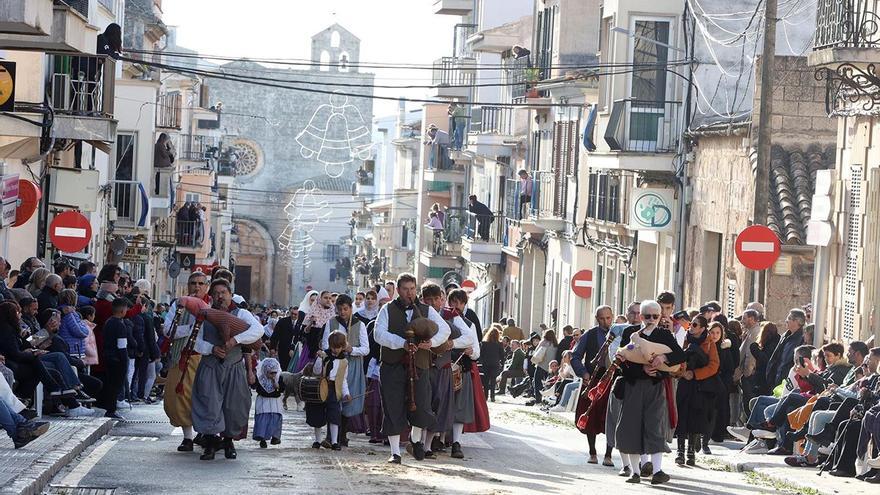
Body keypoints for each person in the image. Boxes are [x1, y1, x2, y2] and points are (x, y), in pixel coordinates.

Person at [374, 273, 450, 464]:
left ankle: (415, 441)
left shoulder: (426, 310)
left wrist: (431, 342)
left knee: (422, 404)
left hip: (420, 365)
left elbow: (445, 330)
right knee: (393, 405)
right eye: (406, 289)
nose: (410, 293)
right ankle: (395, 453)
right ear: (398, 290)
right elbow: (378, 334)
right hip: (393, 365)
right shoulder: (387, 309)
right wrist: (401, 343)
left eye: (412, 289)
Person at [191, 279, 263, 461]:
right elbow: (196, 341)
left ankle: (228, 441)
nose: (219, 296)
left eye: (223, 292)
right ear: (211, 296)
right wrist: (211, 349)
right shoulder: (204, 313)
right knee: (209, 404)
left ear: (230, 294)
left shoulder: (242, 314)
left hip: (234, 366)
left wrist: (235, 340)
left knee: (234, 405)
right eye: (216, 293)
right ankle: (209, 443)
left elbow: (258, 330)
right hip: (210, 366)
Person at [615, 300, 686, 485]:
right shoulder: (630, 333)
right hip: (633, 385)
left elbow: (680, 355)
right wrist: (642, 370)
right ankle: (635, 472)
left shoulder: (664, 334)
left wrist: (664, 357)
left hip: (655, 387)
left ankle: (657, 471)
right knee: (631, 427)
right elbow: (622, 363)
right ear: (641, 316)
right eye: (647, 316)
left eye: (656, 316)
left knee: (654, 427)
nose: (652, 319)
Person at [162, 271, 209, 452]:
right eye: (193, 283)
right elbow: (168, 329)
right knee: (179, 398)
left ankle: (206, 434)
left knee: (205, 398)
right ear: (188, 286)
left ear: (206, 286)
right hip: (182, 357)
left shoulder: (212, 306)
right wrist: (190, 328)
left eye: (200, 283)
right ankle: (187, 437)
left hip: (206, 359)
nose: (196, 287)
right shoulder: (178, 305)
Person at [321, 294, 368, 447]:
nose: (342, 312)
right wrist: (334, 352)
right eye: (340, 309)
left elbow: (366, 349)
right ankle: (330, 436)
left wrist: (351, 349)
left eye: (346, 309)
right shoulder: (331, 323)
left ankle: (343, 434)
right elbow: (325, 345)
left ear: (351, 308)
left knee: (348, 399)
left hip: (352, 365)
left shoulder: (359, 324)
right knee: (332, 398)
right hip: (334, 365)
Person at [572, 305, 615, 465]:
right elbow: (575, 356)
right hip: (593, 380)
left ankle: (609, 455)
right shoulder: (589, 335)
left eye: (608, 318)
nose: (606, 321)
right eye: (602, 318)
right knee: (590, 415)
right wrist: (583, 373)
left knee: (610, 416)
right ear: (597, 319)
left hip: (611, 379)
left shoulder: (619, 334)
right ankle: (592, 452)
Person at [675, 317, 720, 466]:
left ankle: (691, 452)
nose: (691, 327)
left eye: (695, 325)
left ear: (702, 328)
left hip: (700, 385)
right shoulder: (684, 339)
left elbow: (714, 366)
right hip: (684, 383)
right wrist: (682, 372)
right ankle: (680, 451)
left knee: (695, 417)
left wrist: (695, 374)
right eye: (691, 324)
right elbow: (676, 358)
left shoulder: (709, 344)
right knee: (682, 415)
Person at [98, 297, 135, 420]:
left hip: (108, 356)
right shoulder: (120, 325)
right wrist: (124, 361)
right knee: (116, 385)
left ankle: (109, 408)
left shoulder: (108, 322)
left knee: (110, 384)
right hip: (117, 359)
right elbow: (122, 346)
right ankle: (111, 410)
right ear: (123, 310)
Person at [766, 309, 807, 392]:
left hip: (787, 382)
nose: (786, 321)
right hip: (776, 379)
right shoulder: (785, 335)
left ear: (796, 321)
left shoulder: (801, 339)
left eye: (789, 318)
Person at [252, 358, 284, 448]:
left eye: (275, 372)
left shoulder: (279, 377)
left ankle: (275, 437)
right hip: (263, 401)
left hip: (275, 403)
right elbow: (254, 386)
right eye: (271, 372)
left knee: (276, 419)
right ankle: (262, 439)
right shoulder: (260, 378)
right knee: (263, 420)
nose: (273, 374)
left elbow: (282, 389)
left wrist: (275, 382)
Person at [528, 329, 558, 407]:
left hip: (542, 365)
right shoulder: (555, 344)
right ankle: (547, 399)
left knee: (537, 382)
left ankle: (538, 400)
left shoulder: (544, 342)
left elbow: (536, 352)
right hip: (551, 367)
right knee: (548, 383)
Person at [480, 325, 504, 402]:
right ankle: (492, 396)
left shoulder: (484, 343)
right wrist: (502, 364)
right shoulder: (499, 344)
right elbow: (502, 355)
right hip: (495, 363)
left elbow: (481, 354)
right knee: (493, 380)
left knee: (486, 380)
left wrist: (482, 361)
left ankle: (486, 396)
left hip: (486, 363)